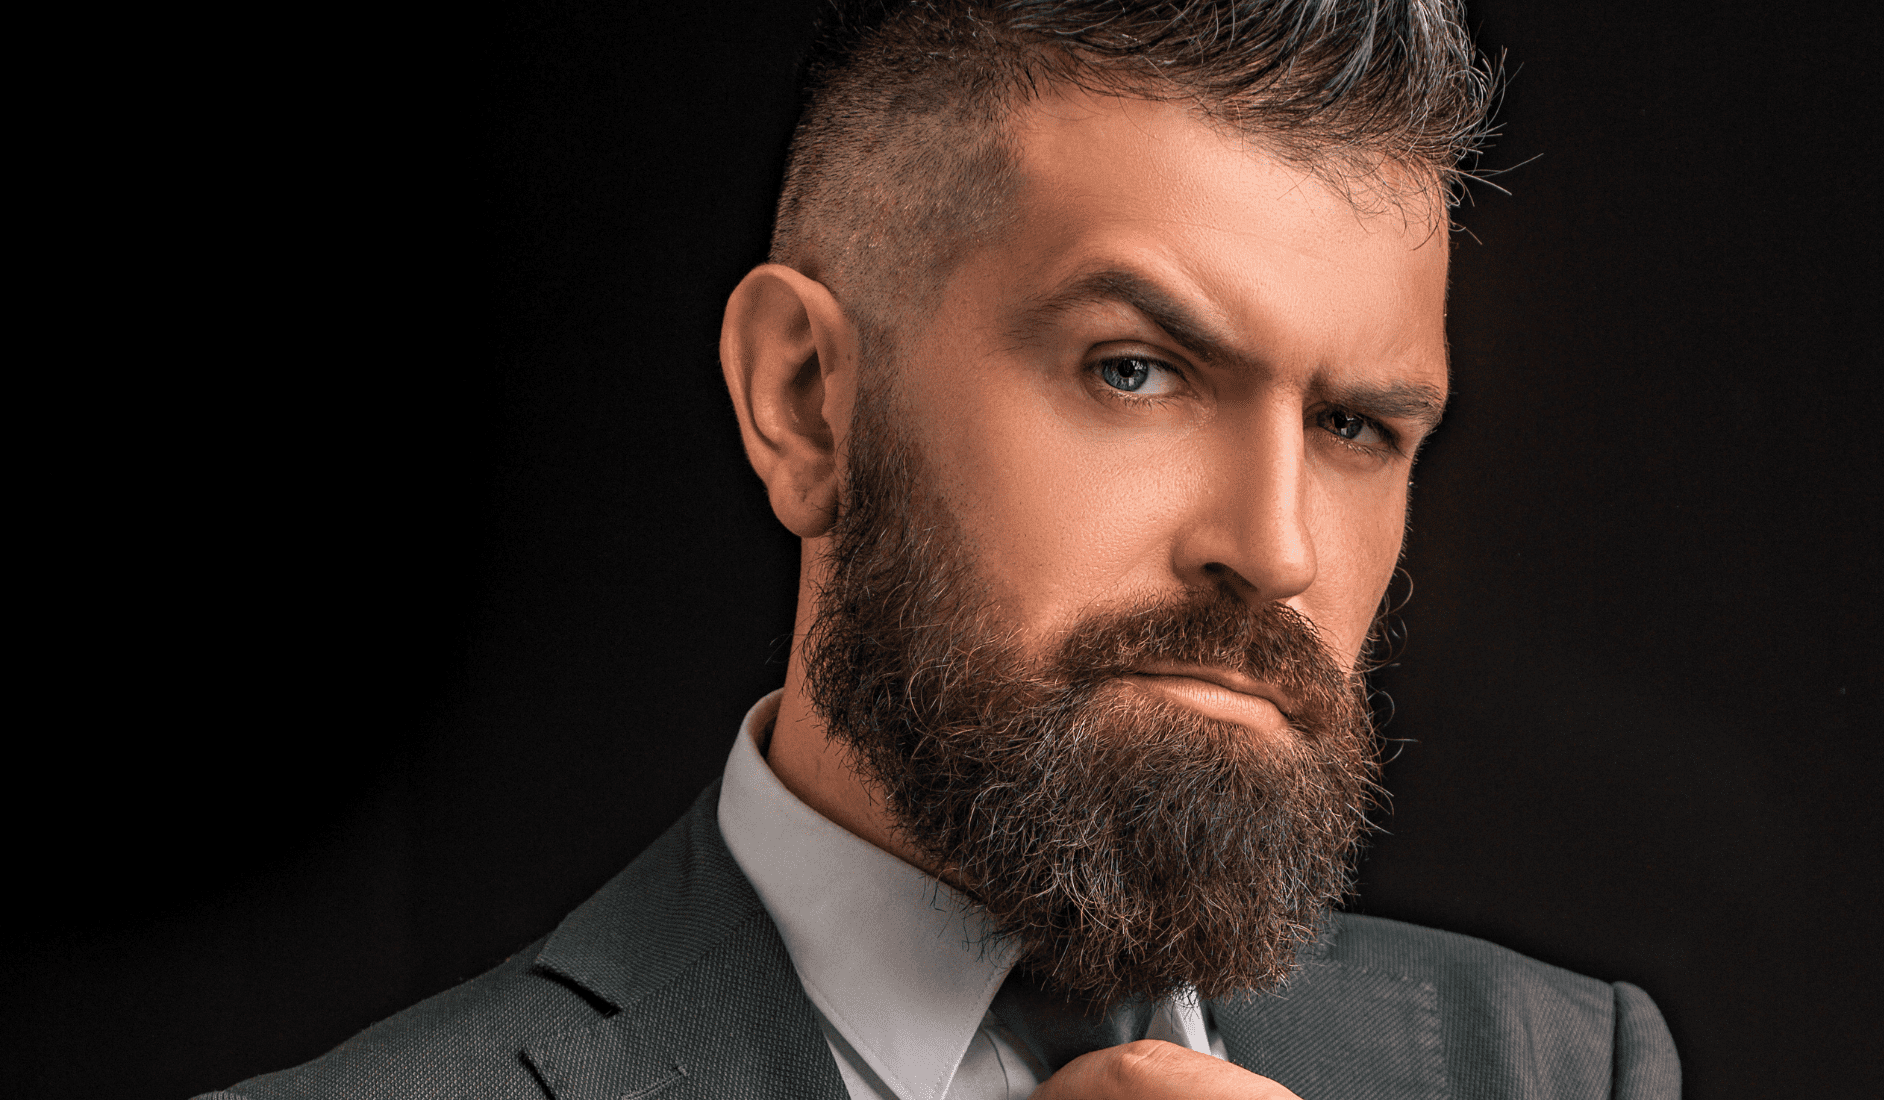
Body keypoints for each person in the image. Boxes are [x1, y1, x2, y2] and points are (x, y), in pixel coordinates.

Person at [206, 2, 1681, 1097]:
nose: (1276, 549)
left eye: (1356, 425)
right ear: (808, 399)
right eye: (1134, 372)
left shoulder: (1562, 1071)